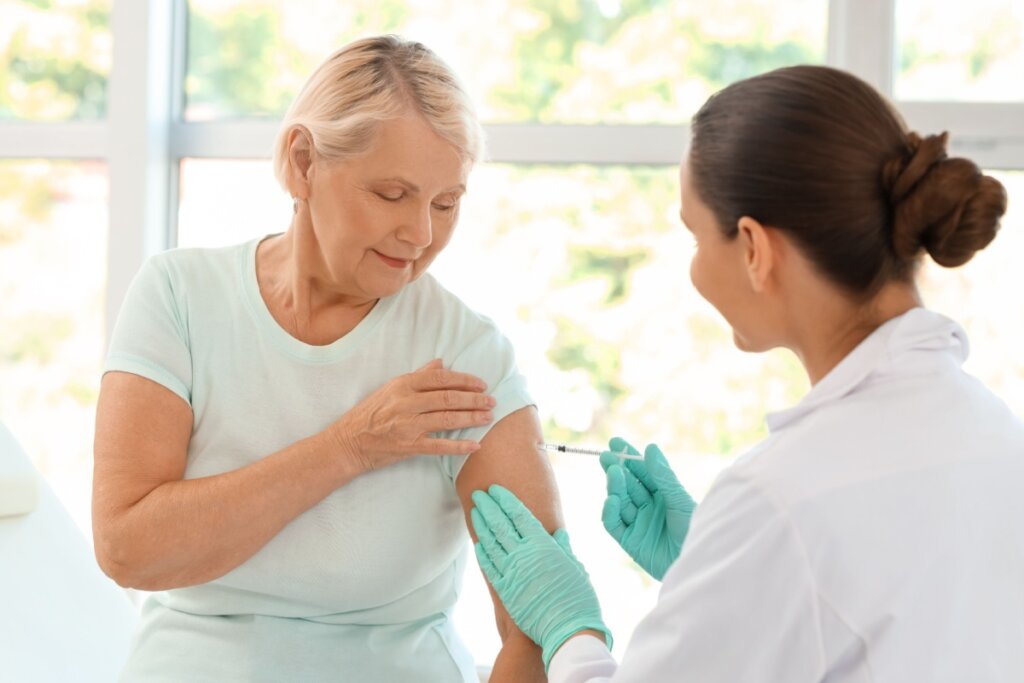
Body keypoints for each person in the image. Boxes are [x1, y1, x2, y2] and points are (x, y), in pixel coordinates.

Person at [470, 64, 1024, 682]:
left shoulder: (781, 498)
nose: (695, 268)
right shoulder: (994, 428)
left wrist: (569, 629)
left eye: (695, 236)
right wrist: (711, 567)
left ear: (755, 248)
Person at [92, 35, 559, 682]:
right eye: (392, 194)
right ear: (303, 162)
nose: (421, 233)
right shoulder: (179, 297)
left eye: (446, 203)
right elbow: (128, 549)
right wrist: (349, 446)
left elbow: (539, 622)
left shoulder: (465, 354)